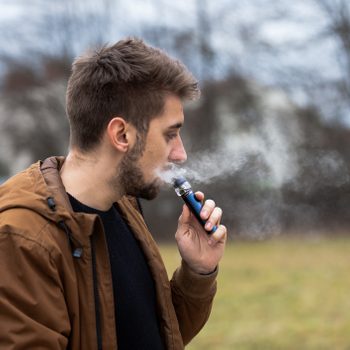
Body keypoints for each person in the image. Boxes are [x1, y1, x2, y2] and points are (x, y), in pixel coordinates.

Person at [0, 38, 227, 350]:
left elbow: (150, 335)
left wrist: (198, 271)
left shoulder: (125, 207)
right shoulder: (22, 237)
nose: (180, 154)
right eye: (170, 134)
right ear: (122, 134)